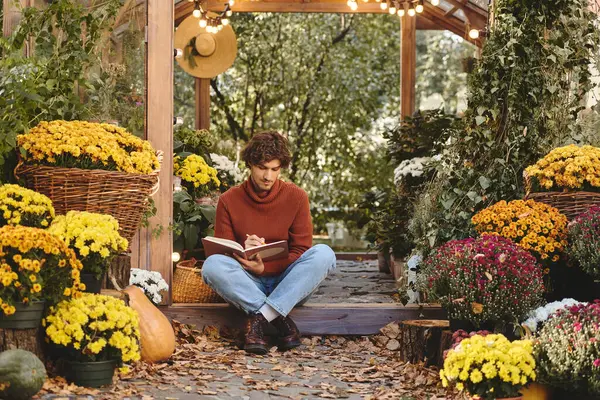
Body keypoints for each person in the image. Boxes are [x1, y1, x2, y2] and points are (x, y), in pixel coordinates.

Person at [202, 131, 336, 354]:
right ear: (250, 164)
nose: (268, 176)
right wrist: (245, 251)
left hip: (289, 283)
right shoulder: (229, 200)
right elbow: (223, 252)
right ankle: (279, 320)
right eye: (262, 167)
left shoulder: (297, 197)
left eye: (275, 169)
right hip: (248, 284)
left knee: (324, 253)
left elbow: (302, 250)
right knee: (212, 266)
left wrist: (267, 267)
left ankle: (260, 319)